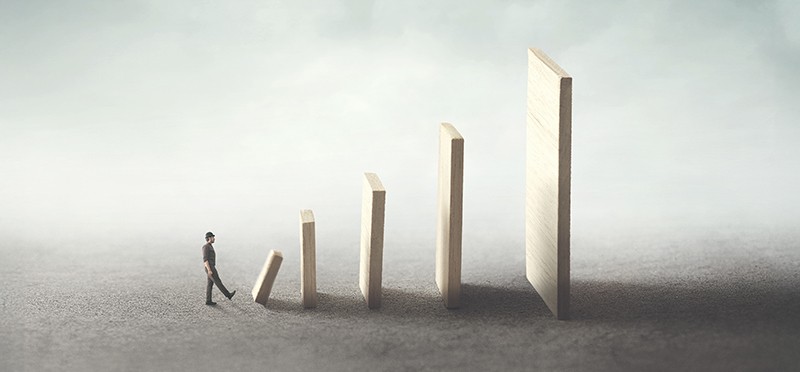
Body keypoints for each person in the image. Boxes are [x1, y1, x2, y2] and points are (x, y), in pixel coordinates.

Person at [202, 231, 236, 305]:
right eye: (213, 237)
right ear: (209, 238)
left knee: (210, 284)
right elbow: (205, 260)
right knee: (218, 282)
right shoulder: (206, 247)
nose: (214, 238)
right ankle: (228, 295)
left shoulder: (210, 246)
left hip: (211, 266)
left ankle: (208, 300)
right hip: (210, 267)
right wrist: (209, 270)